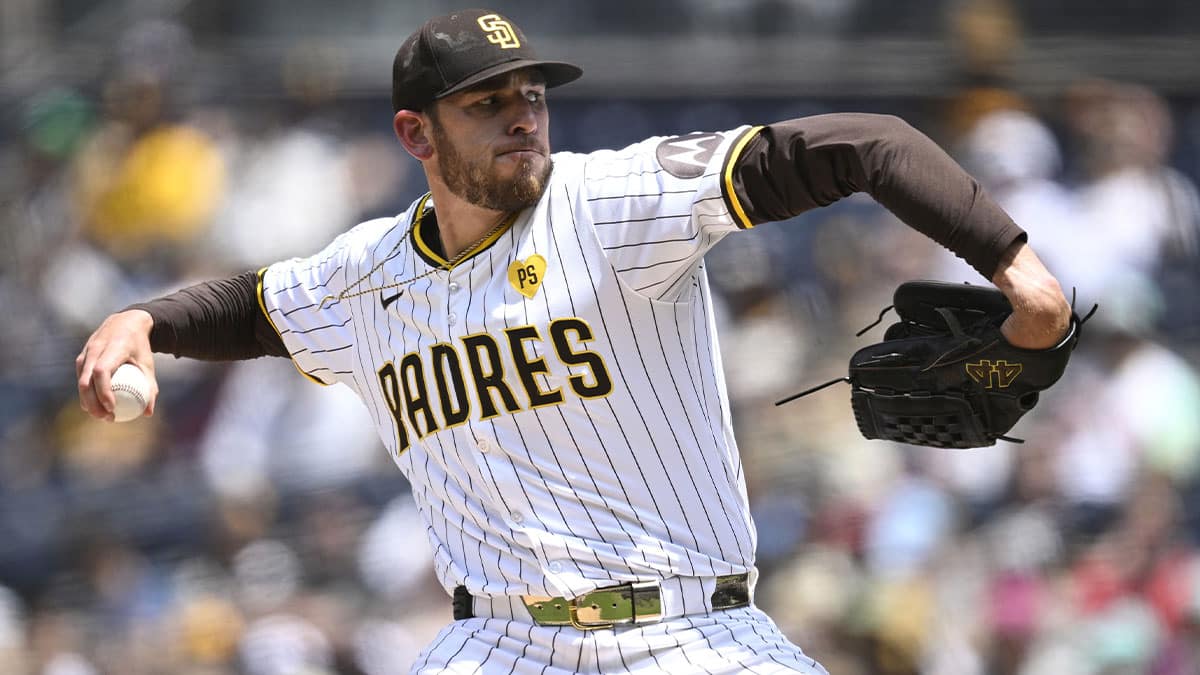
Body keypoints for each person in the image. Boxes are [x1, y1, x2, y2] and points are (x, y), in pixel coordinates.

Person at [76, 8, 1071, 673]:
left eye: (532, 96)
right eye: (487, 104)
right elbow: (252, 305)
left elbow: (864, 147)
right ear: (416, 136)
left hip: (688, 631)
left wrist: (1014, 265)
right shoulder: (362, 274)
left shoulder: (618, 200)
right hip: (499, 644)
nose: (523, 119)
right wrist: (143, 320)